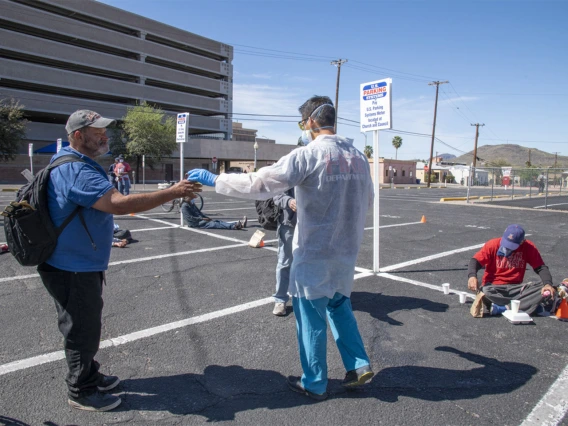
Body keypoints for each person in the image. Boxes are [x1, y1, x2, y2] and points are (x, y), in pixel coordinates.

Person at [188, 96, 375, 401]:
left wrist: (216, 179)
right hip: (345, 250)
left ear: (310, 122)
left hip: (314, 250)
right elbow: (367, 201)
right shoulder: (358, 156)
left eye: (304, 123)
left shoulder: (307, 155)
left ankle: (314, 382)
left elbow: (260, 183)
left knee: (310, 317)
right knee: (340, 306)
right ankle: (358, 364)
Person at [38, 109, 200, 412]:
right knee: (81, 329)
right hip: (71, 266)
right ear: (77, 136)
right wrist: (172, 192)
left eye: (104, 130)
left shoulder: (78, 163)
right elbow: (117, 204)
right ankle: (81, 390)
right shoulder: (76, 169)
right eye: (97, 131)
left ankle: (89, 373)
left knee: (86, 323)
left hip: (77, 263)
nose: (104, 135)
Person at [468, 224, 557, 316]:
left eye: (512, 245)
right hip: (494, 288)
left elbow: (541, 267)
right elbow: (475, 261)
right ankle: (527, 304)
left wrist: (547, 284)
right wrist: (472, 276)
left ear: (522, 242)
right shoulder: (493, 244)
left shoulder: (528, 247)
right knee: (485, 291)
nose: (508, 247)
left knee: (545, 287)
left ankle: (503, 308)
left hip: (516, 288)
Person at [272, 188, 296, 316]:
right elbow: (276, 194)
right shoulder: (287, 168)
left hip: (312, 224)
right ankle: (280, 299)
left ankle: (313, 296)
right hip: (289, 224)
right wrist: (289, 201)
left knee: (313, 261)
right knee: (285, 262)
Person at [181, 196, 247, 230]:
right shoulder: (184, 206)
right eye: (192, 196)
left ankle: (237, 224)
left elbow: (199, 212)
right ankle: (234, 226)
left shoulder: (191, 203)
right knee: (215, 224)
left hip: (201, 220)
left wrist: (206, 217)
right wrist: (202, 219)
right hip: (195, 223)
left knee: (218, 221)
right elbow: (189, 218)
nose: (193, 198)